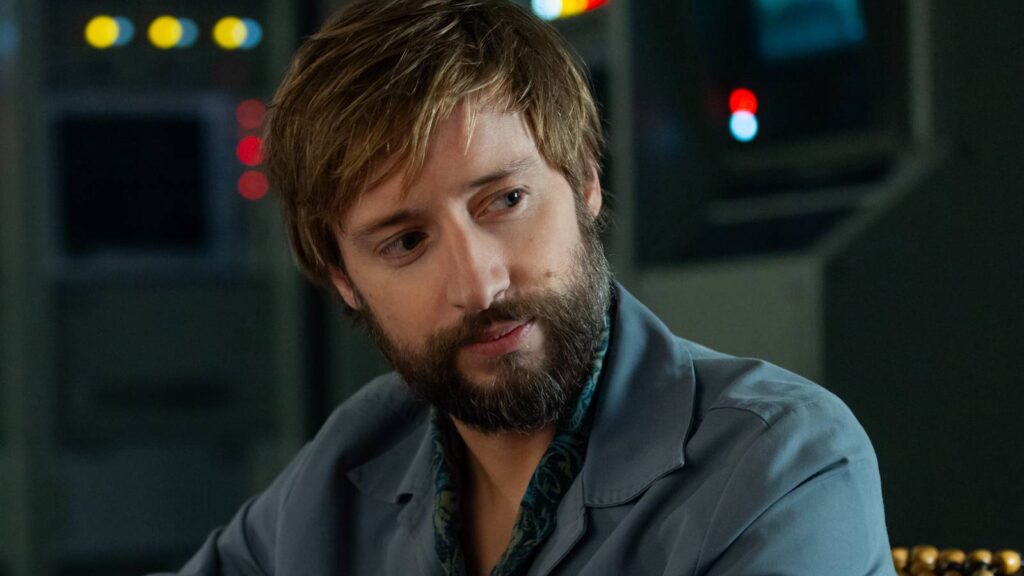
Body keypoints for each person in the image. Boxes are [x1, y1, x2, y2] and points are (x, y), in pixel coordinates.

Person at [158, 0, 895, 574]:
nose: (479, 284)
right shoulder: (355, 455)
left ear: (585, 180)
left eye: (505, 200)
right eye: (407, 241)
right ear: (344, 281)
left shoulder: (779, 463)